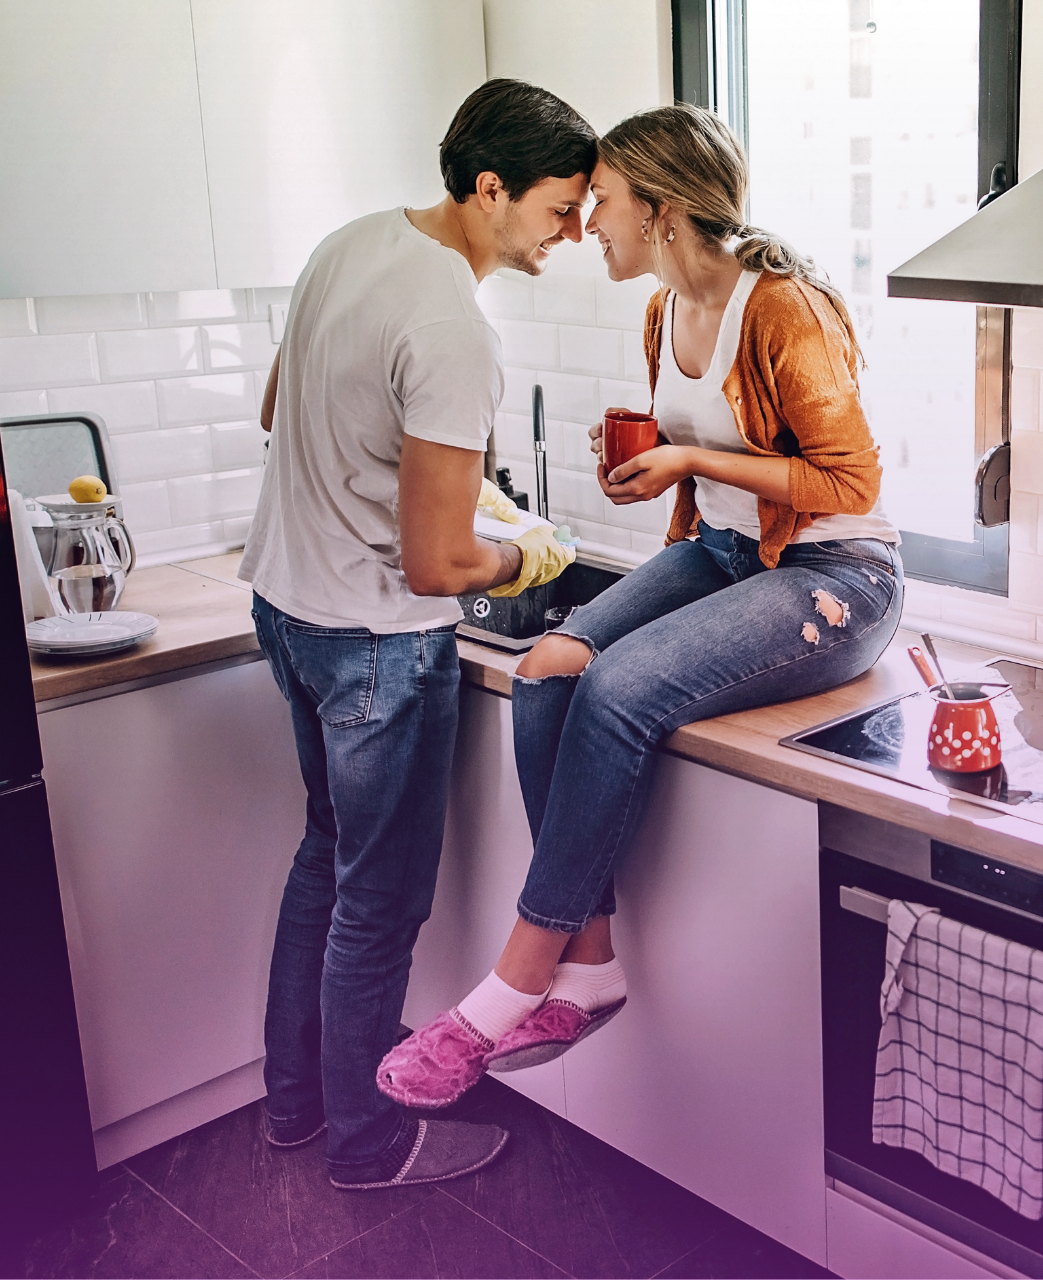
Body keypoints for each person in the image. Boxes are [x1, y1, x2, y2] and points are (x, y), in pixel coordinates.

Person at [376, 103, 904, 1107]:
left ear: (663, 211)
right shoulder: (663, 311)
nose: (589, 226)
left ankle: (511, 983)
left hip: (840, 578)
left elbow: (852, 483)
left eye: (605, 204)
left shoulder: (783, 306)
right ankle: (596, 955)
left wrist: (693, 456)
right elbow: (717, 474)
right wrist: (656, 472)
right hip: (722, 554)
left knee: (616, 687)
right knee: (547, 673)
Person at [239, 79, 592, 1190]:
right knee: (377, 903)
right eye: (557, 208)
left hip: (289, 609)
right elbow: (439, 566)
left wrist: (471, 495)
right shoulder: (453, 326)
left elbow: (281, 414)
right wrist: (523, 553)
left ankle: (295, 1108)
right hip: (377, 645)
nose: (573, 232)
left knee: (324, 862)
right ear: (491, 189)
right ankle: (369, 1139)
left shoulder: (350, 246)